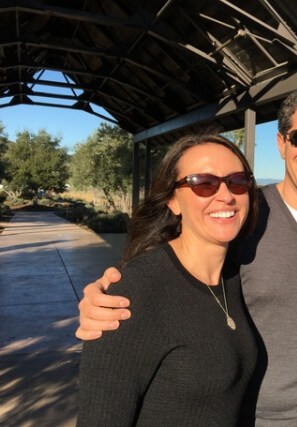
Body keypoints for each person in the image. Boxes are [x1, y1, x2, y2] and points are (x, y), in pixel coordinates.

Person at [75, 84, 297, 426]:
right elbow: (174, 269)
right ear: (281, 144)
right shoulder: (244, 214)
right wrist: (113, 295)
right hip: (241, 417)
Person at [77, 134, 259, 426]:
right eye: (203, 183)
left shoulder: (233, 277)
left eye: (237, 181)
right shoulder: (133, 292)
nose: (226, 195)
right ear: (172, 200)